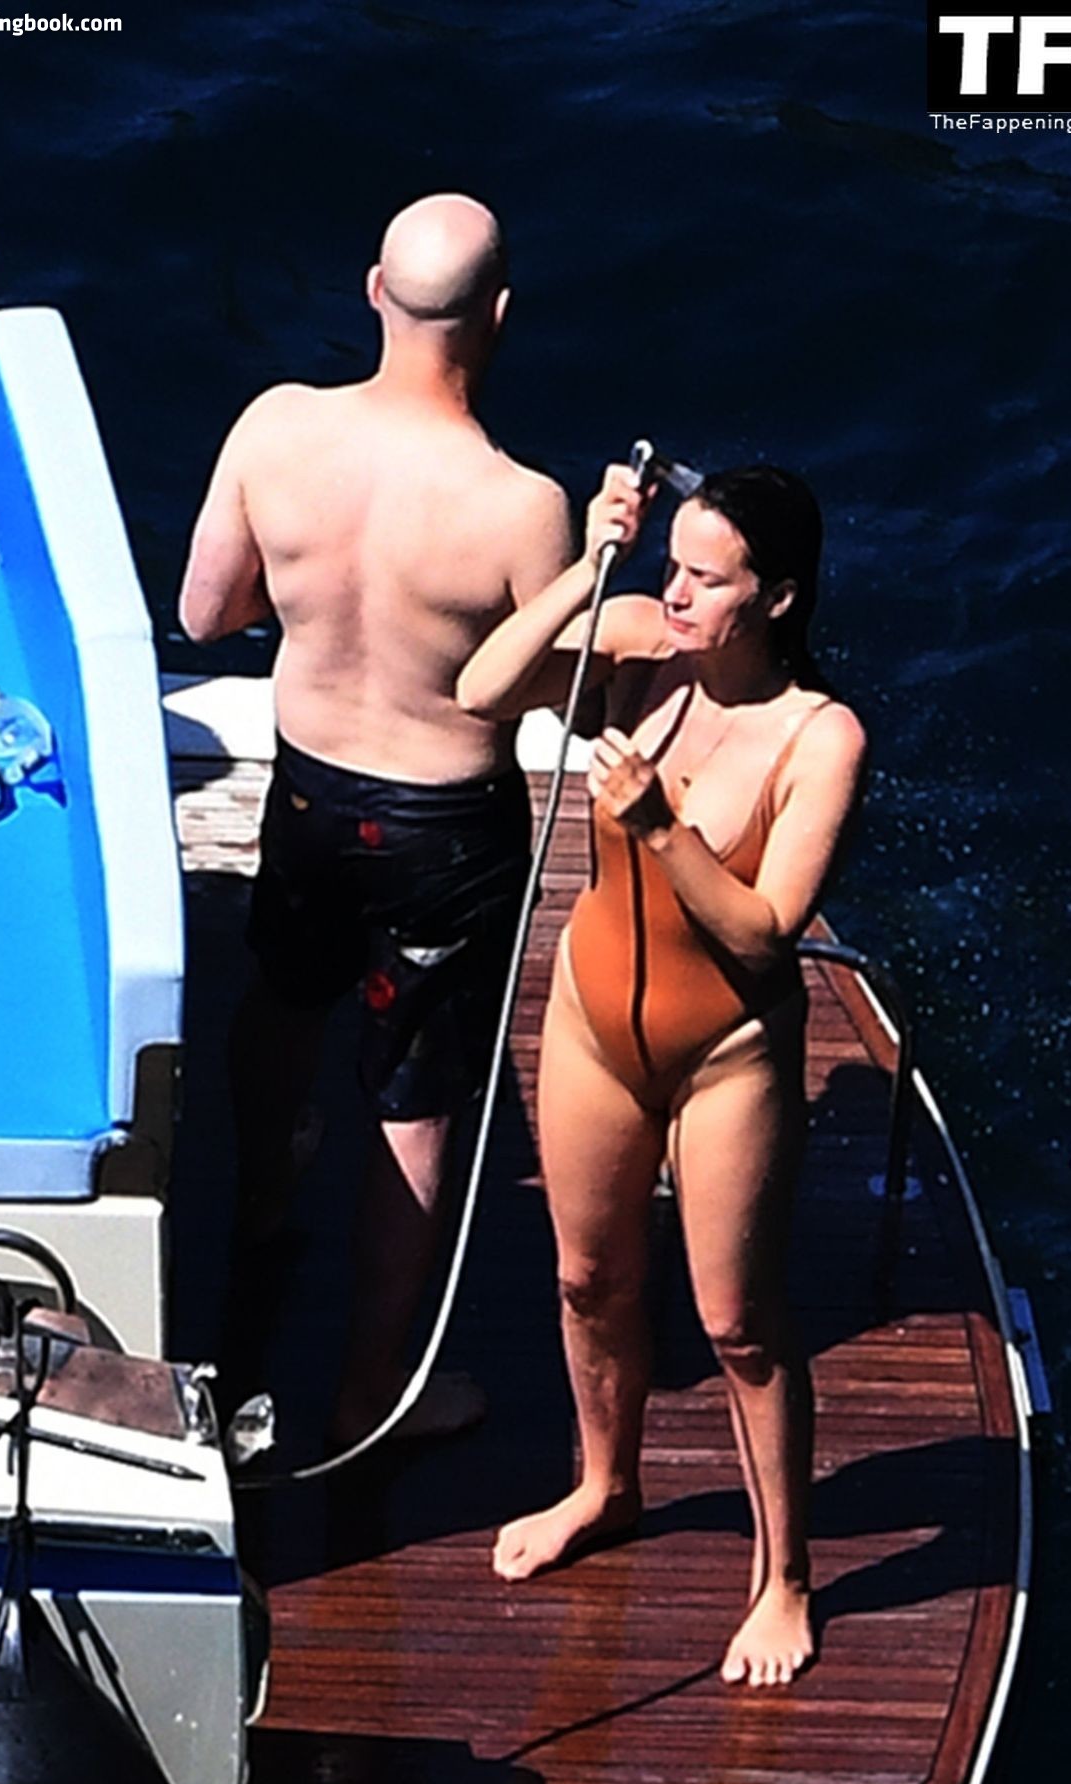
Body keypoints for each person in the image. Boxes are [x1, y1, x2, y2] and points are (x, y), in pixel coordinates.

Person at [456, 459, 866, 1685]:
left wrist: (660, 829)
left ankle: (785, 1579)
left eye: (708, 579)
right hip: (595, 1023)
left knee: (739, 1325)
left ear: (776, 597)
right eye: (672, 567)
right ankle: (605, 1484)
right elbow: (483, 689)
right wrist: (592, 567)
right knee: (588, 1280)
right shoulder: (638, 649)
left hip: (723, 1053)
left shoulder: (819, 737)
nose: (678, 595)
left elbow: (765, 932)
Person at [179, 194, 573, 1444]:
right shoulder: (522, 505)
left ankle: (260, 1208)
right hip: (444, 829)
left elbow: (204, 614)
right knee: (415, 1097)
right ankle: (369, 1398)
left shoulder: (276, 427)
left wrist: (318, 612)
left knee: (285, 997)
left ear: (371, 293)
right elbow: (540, 688)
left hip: (311, 792)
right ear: (499, 316)